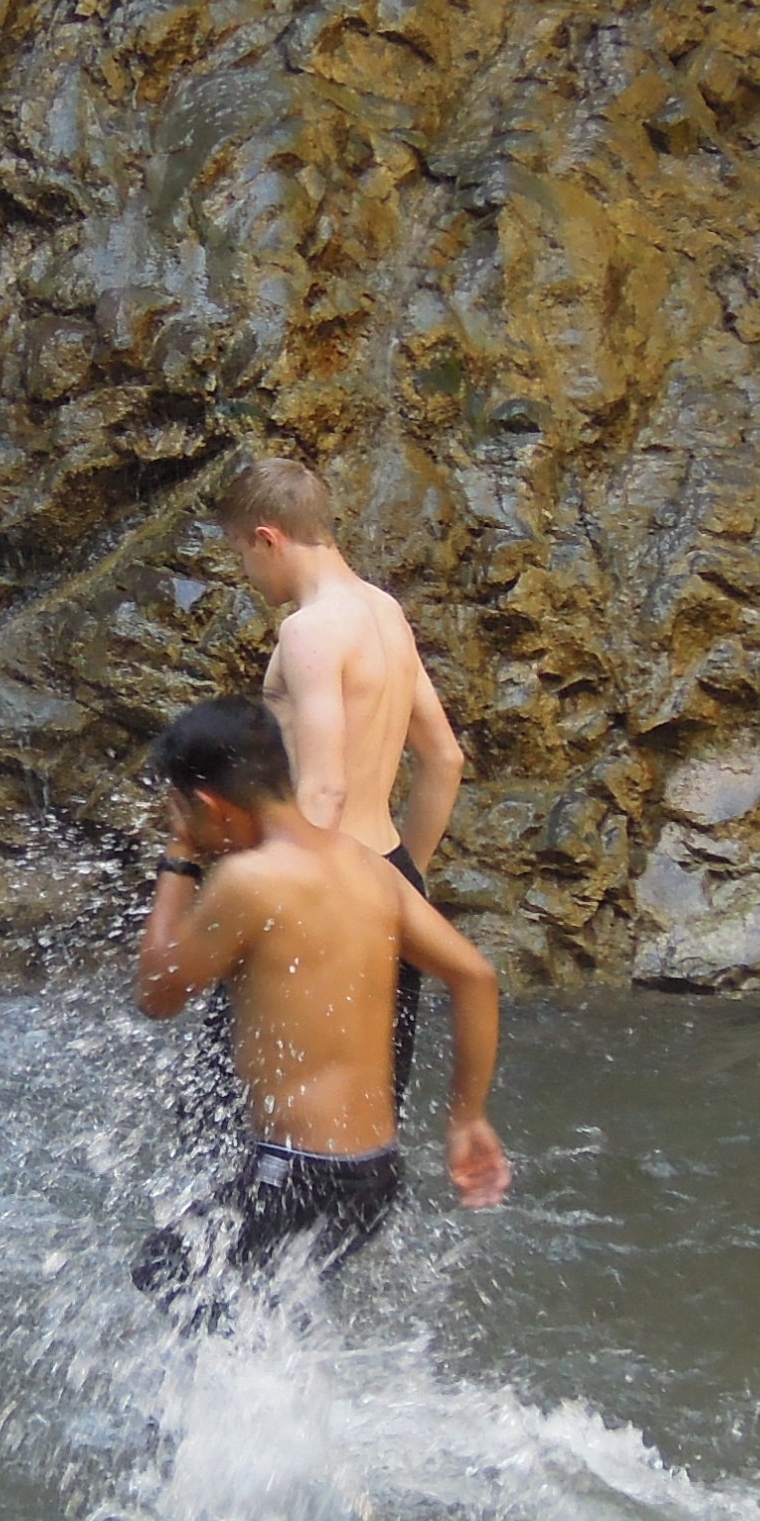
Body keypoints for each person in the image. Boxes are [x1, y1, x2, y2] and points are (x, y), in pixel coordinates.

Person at [130, 697, 506, 1327]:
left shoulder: (248, 881)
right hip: (374, 1176)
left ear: (210, 806)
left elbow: (157, 993)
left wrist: (180, 856)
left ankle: (240, 1396)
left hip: (300, 1173)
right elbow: (476, 976)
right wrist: (466, 1116)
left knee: (169, 1273)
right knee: (258, 1314)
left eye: (184, 812)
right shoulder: (368, 867)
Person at [214, 457, 470, 1106]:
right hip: (386, 875)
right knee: (370, 1109)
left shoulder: (309, 631)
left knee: (233, 1105)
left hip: (321, 885)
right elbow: (444, 760)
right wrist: (404, 879)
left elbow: (324, 791)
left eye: (241, 554)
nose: (246, 573)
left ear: (267, 538)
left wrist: (283, 905)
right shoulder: (385, 613)